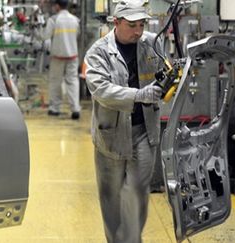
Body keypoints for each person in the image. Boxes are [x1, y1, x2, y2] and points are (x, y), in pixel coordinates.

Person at [84, 0, 164, 242]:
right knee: (111, 196)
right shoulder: (98, 52)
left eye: (142, 24)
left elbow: (163, 71)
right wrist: (138, 95)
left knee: (139, 191)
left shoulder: (151, 43)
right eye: (132, 25)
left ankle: (131, 239)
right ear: (115, 23)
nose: (138, 31)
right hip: (112, 134)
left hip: (144, 131)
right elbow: (101, 90)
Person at [37, 0, 81, 119]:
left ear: (57, 6)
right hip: (72, 56)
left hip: (58, 57)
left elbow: (45, 36)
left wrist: (39, 30)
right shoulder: (75, 20)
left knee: (56, 82)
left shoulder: (54, 20)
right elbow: (77, 35)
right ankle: (75, 109)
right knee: (72, 82)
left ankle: (55, 108)